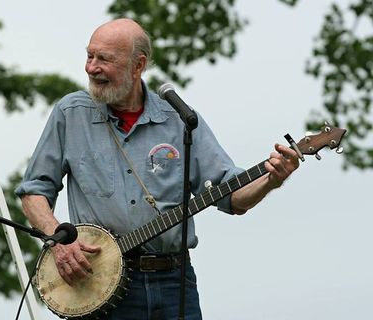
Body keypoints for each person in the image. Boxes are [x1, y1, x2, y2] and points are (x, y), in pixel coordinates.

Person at [15, 18, 299, 320]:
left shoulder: (180, 119)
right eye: (90, 55)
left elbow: (233, 196)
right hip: (97, 284)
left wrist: (272, 179)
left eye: (104, 59)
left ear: (138, 66)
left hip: (175, 283)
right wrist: (59, 240)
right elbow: (33, 193)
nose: (91, 67)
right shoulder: (70, 113)